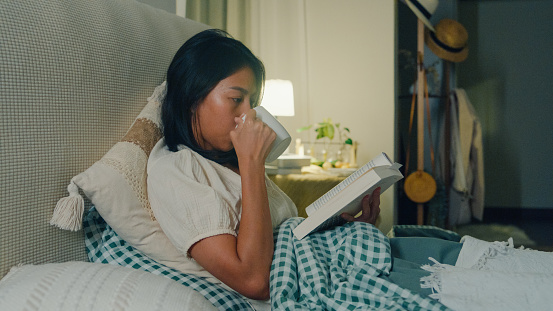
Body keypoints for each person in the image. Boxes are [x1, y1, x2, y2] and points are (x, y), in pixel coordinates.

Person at [146, 29, 384, 301]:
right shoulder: (175, 171)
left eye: (253, 102)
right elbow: (254, 280)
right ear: (192, 98)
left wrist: (348, 229)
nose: (248, 114)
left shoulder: (228, 162)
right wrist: (251, 163)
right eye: (236, 99)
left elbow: (287, 240)